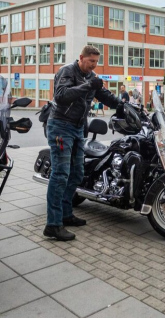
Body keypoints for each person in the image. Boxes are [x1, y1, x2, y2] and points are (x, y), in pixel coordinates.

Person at [43, 45, 123, 241]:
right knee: (60, 174)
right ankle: (53, 224)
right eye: (91, 61)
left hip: (78, 128)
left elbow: (104, 95)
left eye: (96, 62)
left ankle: (66, 214)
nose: (94, 65)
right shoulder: (67, 71)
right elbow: (61, 96)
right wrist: (89, 86)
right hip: (60, 126)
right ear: (81, 58)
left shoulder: (91, 76)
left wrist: (123, 105)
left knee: (77, 172)